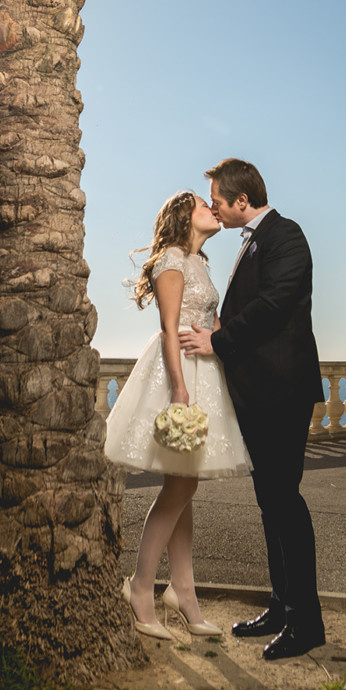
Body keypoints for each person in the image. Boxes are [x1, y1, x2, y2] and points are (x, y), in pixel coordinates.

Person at [178, 158, 326, 661]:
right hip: (260, 392)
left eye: (219, 199)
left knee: (285, 500)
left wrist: (219, 337)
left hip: (283, 390)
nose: (215, 206)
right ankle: (282, 607)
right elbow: (252, 305)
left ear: (243, 201)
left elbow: (275, 303)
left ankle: (307, 623)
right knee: (270, 503)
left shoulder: (287, 235)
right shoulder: (251, 242)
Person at [104, 189, 250, 640]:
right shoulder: (171, 258)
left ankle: (183, 592)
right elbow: (170, 328)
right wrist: (180, 389)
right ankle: (141, 587)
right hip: (180, 372)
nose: (213, 209)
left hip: (206, 367)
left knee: (183, 486)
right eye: (204, 206)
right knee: (182, 484)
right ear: (184, 216)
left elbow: (213, 321)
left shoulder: (200, 262)